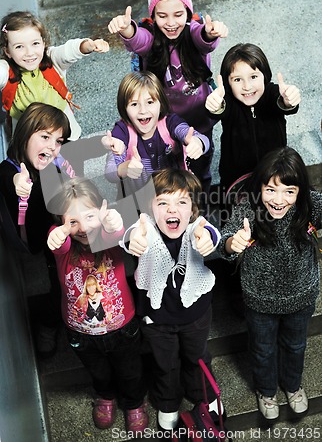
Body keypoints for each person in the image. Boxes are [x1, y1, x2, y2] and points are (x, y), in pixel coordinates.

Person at [218, 147, 321, 420]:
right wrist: (232, 244)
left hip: (301, 297)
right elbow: (225, 240)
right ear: (260, 186)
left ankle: (293, 386)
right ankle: (266, 391)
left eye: (289, 191)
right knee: (263, 350)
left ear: (300, 190)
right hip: (259, 301)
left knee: (296, 345)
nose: (278, 200)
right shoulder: (247, 209)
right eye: (271, 189)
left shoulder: (308, 205)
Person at [120, 168, 222, 431]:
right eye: (162, 202)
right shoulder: (146, 226)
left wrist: (208, 238)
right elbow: (130, 233)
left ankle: (203, 395)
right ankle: (168, 400)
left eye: (181, 202)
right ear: (150, 207)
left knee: (197, 356)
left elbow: (210, 231)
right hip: (157, 318)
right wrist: (132, 239)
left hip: (195, 315)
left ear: (193, 208)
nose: (171, 210)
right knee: (164, 363)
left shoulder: (196, 225)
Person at [107, 0, 229, 194]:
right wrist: (126, 30)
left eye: (178, 15)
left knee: (200, 166)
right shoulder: (151, 39)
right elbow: (137, 39)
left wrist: (211, 33)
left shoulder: (193, 31)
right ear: (153, 16)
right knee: (170, 168)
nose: (171, 23)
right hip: (166, 125)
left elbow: (204, 39)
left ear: (188, 13)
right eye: (162, 16)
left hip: (199, 121)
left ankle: (201, 200)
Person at [47, 176, 148, 433]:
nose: (82, 227)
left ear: (101, 212)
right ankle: (106, 396)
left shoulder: (108, 238)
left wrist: (112, 221)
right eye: (72, 221)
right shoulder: (64, 248)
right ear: (60, 223)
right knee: (99, 372)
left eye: (89, 217)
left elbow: (114, 232)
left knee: (131, 371)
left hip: (123, 328)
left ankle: (134, 402)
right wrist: (58, 232)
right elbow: (59, 241)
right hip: (81, 333)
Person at [0, 102, 71, 357]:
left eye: (58, 140)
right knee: (54, 288)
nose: (52, 146)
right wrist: (18, 181)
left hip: (56, 233)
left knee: (59, 280)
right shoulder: (11, 169)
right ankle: (49, 326)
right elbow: (8, 178)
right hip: (32, 237)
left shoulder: (54, 162)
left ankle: (60, 319)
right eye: (44, 137)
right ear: (25, 133)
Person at [205, 43, 301, 195]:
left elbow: (282, 102)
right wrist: (215, 105)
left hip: (274, 174)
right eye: (237, 80)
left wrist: (288, 101)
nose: (247, 86)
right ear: (227, 83)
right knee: (232, 213)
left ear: (265, 76)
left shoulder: (272, 93)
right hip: (234, 178)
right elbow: (220, 109)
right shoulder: (229, 100)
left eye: (254, 77)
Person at [0, 10, 109, 140]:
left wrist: (87, 45)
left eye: (35, 43)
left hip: (66, 136)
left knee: (73, 157)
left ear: (44, 43)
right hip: (30, 144)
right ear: (7, 51)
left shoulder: (52, 60)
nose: (29, 53)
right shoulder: (7, 71)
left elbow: (67, 52)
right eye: (19, 47)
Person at [103, 70, 210, 203]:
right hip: (137, 202)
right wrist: (124, 168)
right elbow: (110, 172)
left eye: (150, 102)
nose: (143, 110)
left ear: (161, 103)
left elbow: (199, 138)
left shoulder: (170, 123)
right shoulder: (122, 131)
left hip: (172, 197)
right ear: (124, 109)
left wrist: (197, 142)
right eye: (134, 104)